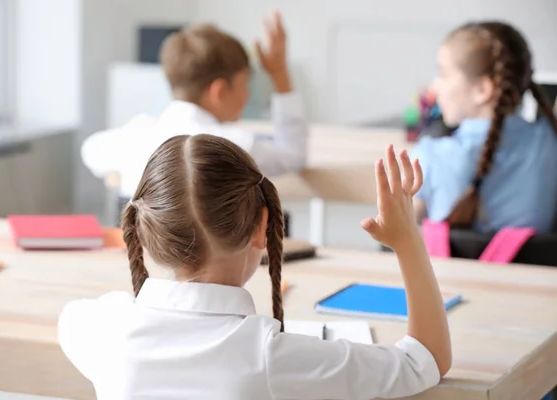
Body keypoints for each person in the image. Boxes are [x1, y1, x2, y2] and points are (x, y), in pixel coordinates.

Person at [58, 134, 451, 400]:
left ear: (143, 232)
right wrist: (407, 241)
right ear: (262, 227)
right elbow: (425, 360)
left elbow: (70, 317)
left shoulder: (103, 328)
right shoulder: (270, 356)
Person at [81, 11, 308, 201]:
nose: (247, 95)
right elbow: (294, 155)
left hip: (145, 252)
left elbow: (90, 149)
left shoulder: (138, 134)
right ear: (218, 91)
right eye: (243, 84)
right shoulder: (235, 147)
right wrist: (279, 75)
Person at [412, 21, 557, 233]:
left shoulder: (429, 157)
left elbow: (398, 238)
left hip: (443, 267)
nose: (434, 87)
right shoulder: (550, 141)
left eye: (443, 75)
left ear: (482, 89)